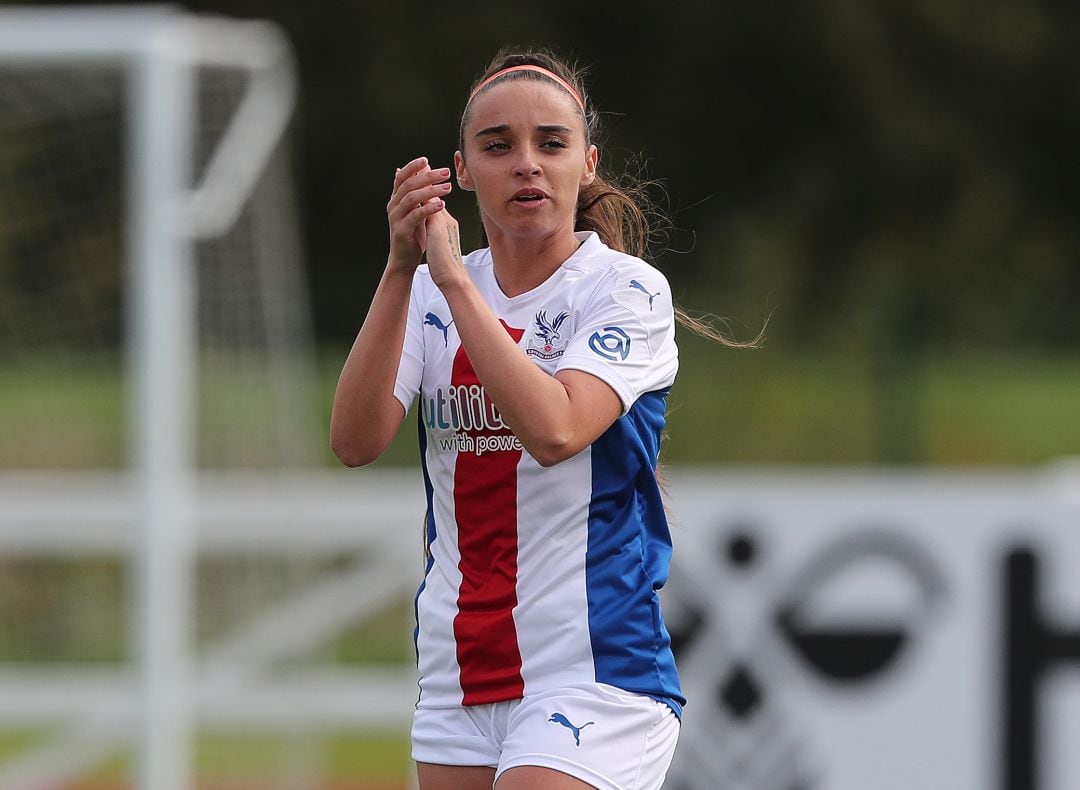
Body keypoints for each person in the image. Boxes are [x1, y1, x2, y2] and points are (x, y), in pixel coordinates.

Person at [332, 48, 693, 790]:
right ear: (461, 171)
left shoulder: (626, 291)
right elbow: (355, 440)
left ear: (587, 163)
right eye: (497, 146)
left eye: (551, 144)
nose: (526, 163)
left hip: (595, 667)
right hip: (459, 668)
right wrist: (401, 269)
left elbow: (557, 431)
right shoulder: (429, 290)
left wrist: (454, 280)